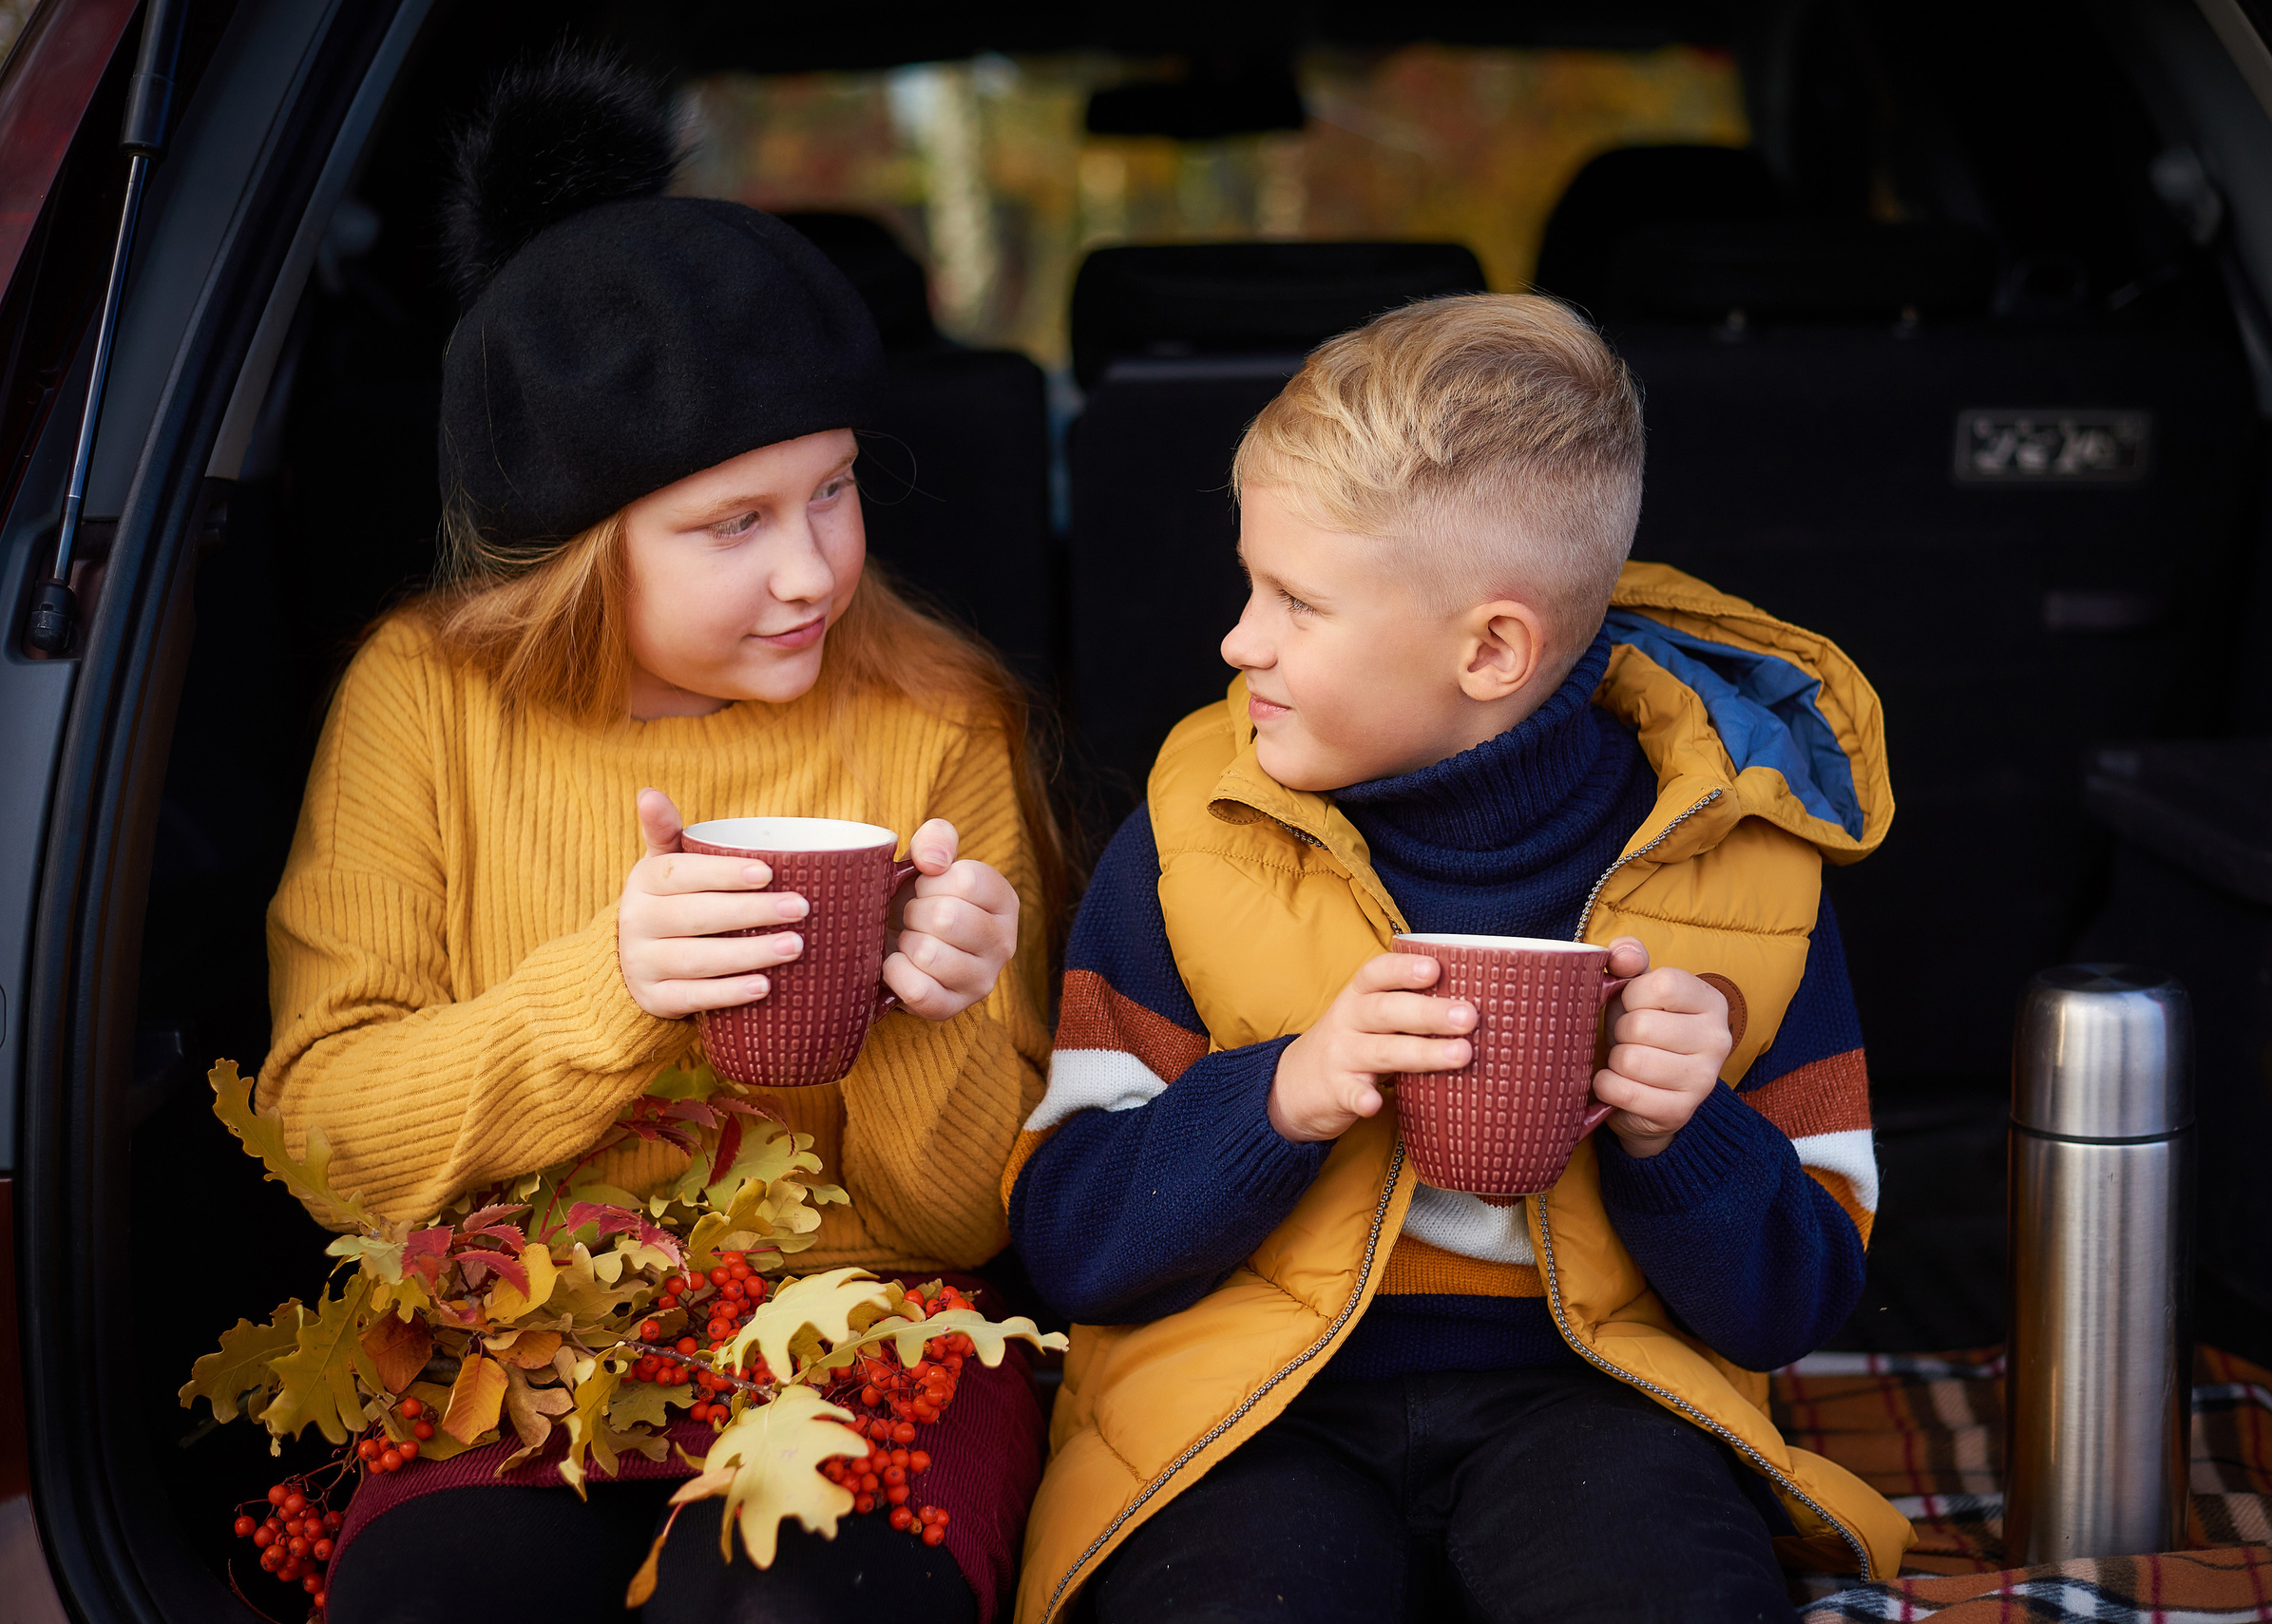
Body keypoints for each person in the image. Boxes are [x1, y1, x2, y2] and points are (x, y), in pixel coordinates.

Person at [256, 53, 1055, 1624]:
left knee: (786, 1601)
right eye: (731, 525)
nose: (812, 571)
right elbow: (330, 1143)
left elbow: (965, 1226)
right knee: (445, 1597)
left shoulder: (938, 713)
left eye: (830, 490)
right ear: (576, 551)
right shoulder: (425, 697)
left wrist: (937, 1018)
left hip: (871, 1337)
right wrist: (606, 991)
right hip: (523, 1342)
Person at [1003, 295, 1915, 1623]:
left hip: (1601, 1405)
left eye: (1296, 602)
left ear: (1491, 648)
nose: (1237, 639)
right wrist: (1281, 1098)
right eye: (1249, 580)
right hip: (1246, 1410)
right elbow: (1067, 1241)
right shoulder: (1189, 840)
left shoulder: (1748, 864)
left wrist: (1684, 1133)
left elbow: (1797, 1302)